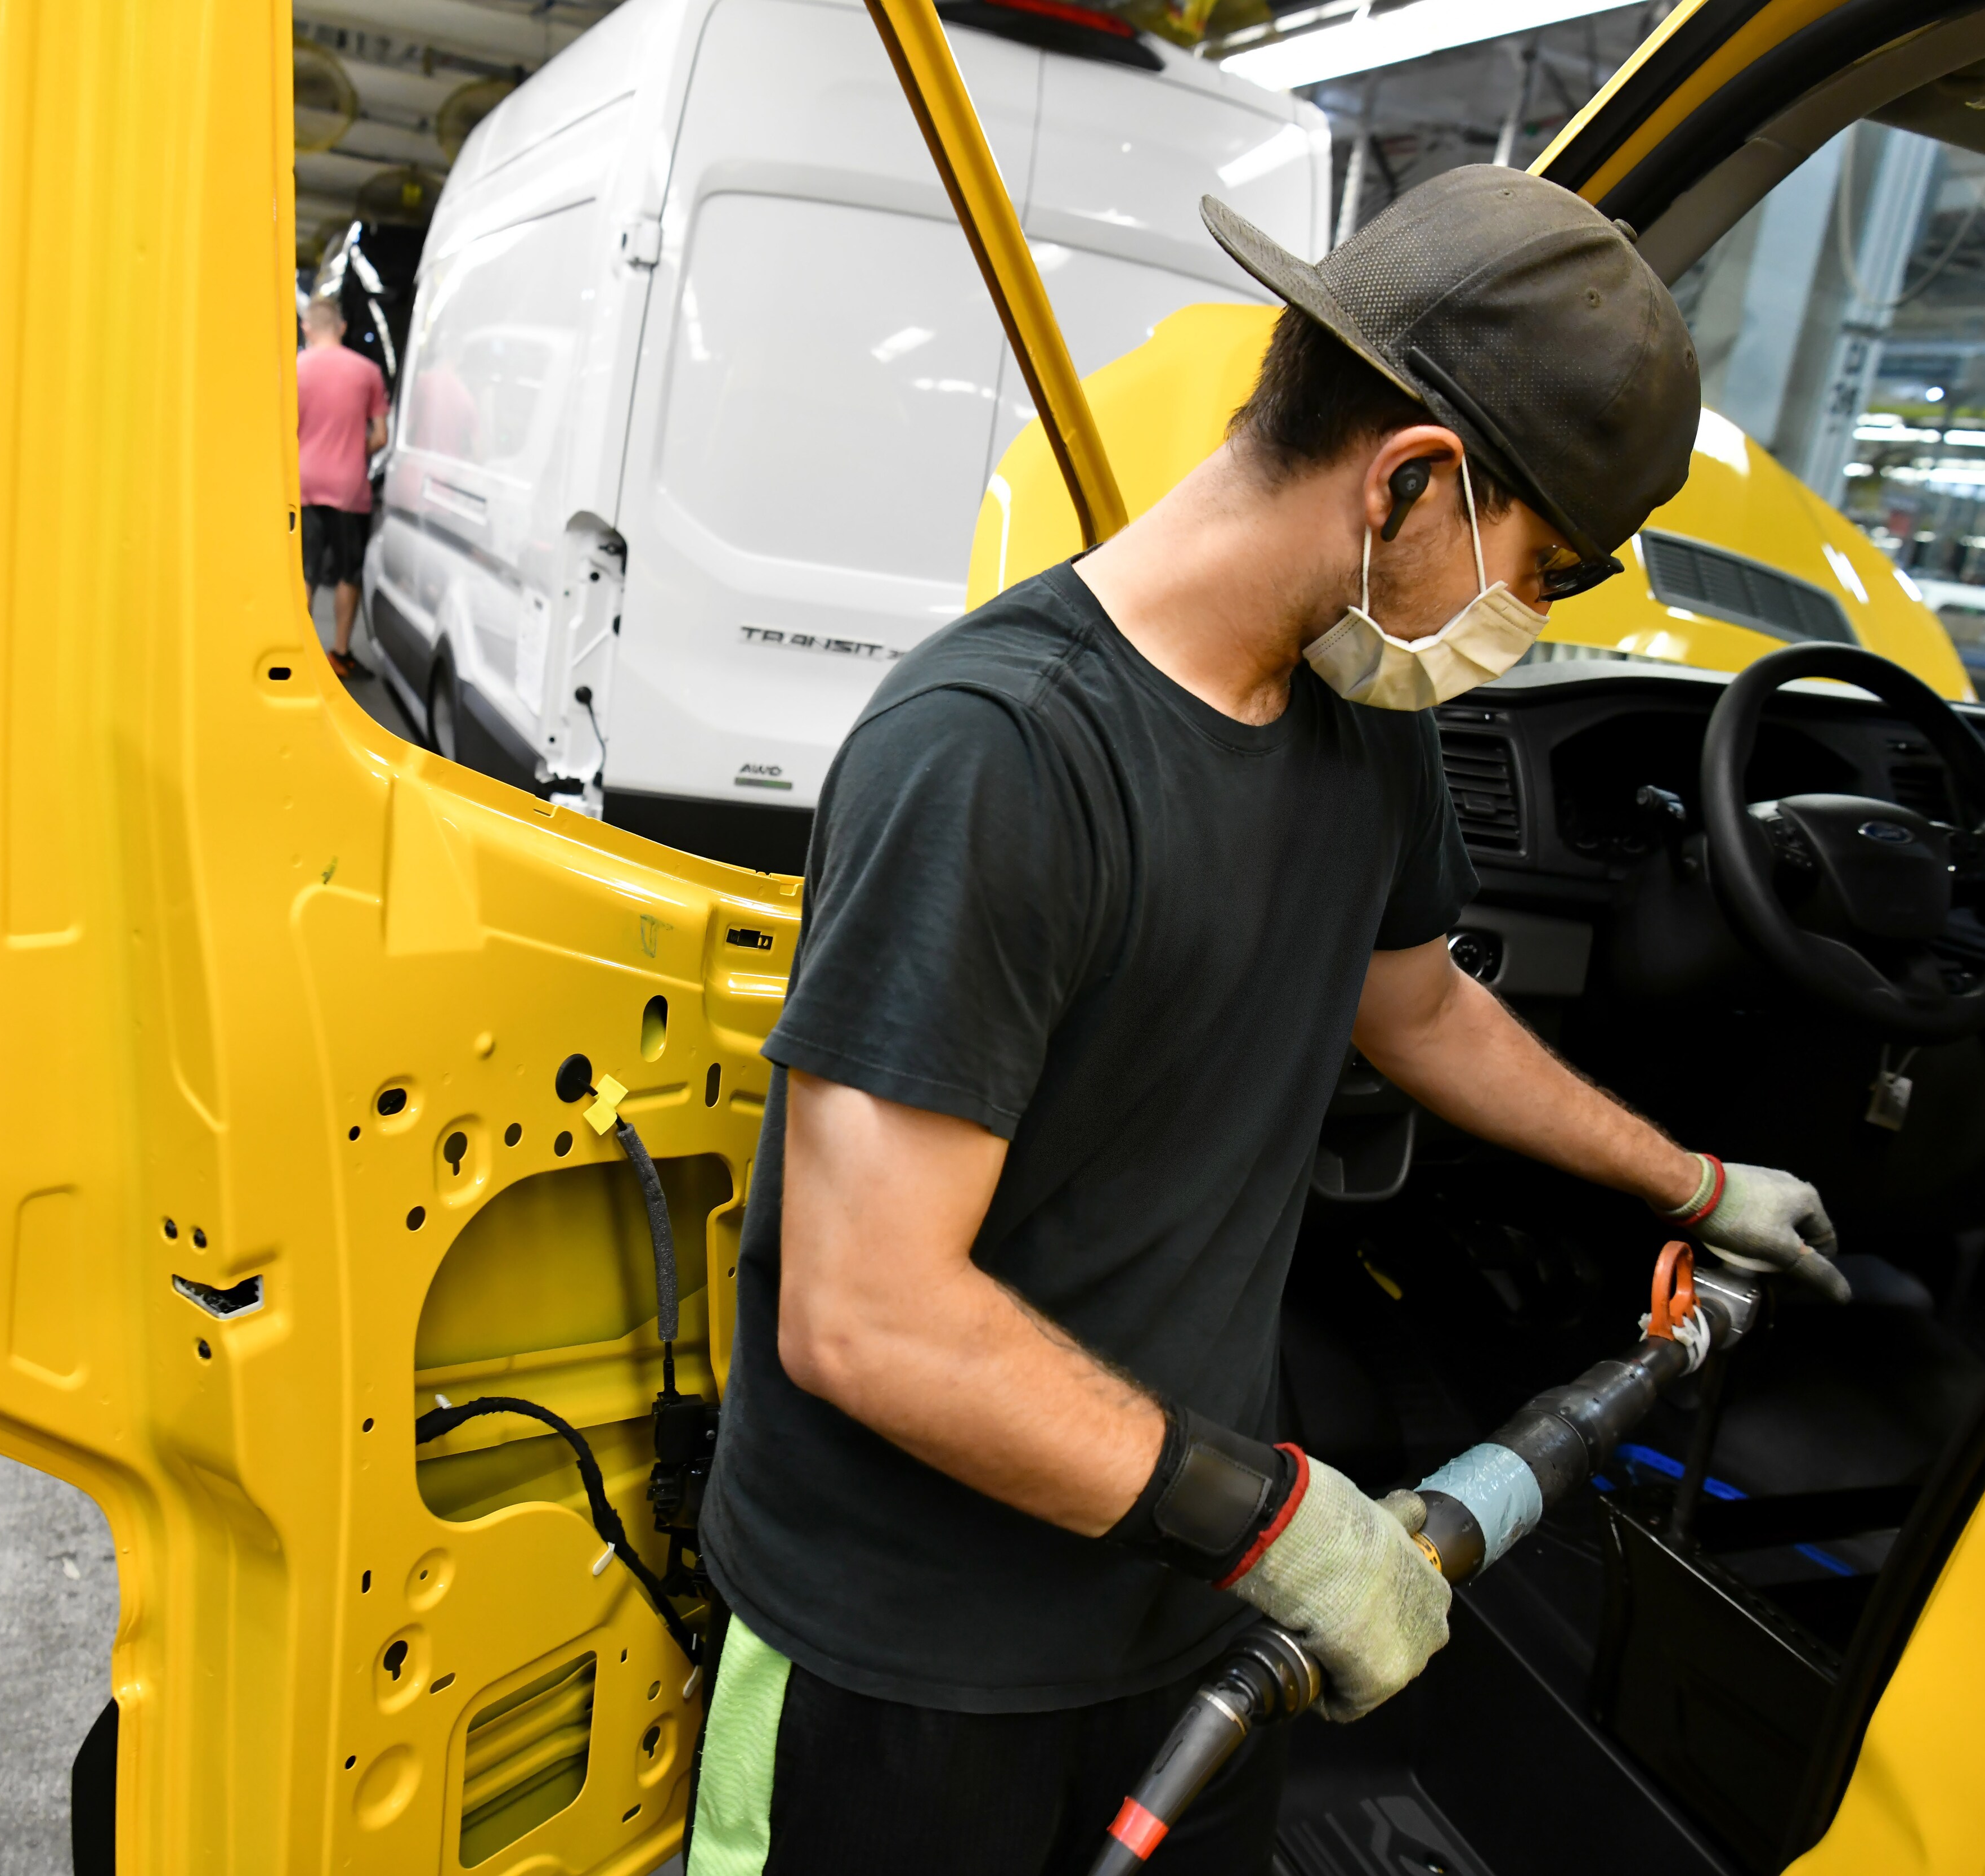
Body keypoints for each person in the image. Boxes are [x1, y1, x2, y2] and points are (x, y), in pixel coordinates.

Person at [685, 168, 1847, 1875]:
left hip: (1179, 1616)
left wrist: (1687, 1182)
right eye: (1544, 572)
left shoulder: (1354, 716)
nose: (1525, 634)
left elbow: (1419, 1011)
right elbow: (868, 1318)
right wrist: (1282, 1519)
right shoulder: (993, 756)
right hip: (904, 1659)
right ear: (1411, 481)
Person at [295, 295, 389, 678]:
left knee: (304, 570)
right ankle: (340, 654)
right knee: (348, 572)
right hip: (350, 487)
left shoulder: (294, 369)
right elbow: (381, 436)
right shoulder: (367, 371)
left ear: (307, 329)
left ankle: (297, 654)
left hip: (302, 483)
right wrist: (354, 451)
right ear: (343, 328)